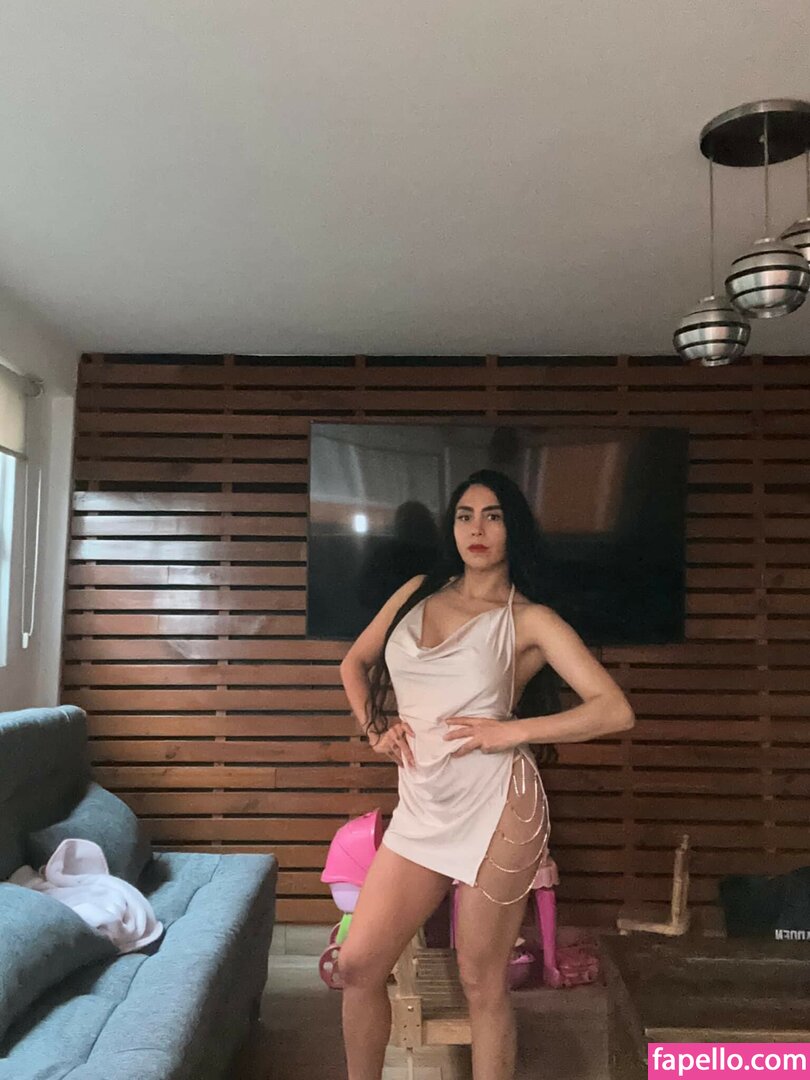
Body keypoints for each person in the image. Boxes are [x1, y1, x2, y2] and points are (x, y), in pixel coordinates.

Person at [338, 468, 635, 1080]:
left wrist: (512, 731)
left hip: (498, 807)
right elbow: (355, 663)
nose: (477, 529)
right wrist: (374, 730)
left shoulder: (529, 619)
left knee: (480, 979)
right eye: (465, 515)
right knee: (358, 965)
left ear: (512, 529)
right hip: (423, 807)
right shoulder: (417, 591)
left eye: (493, 516)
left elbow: (614, 709)